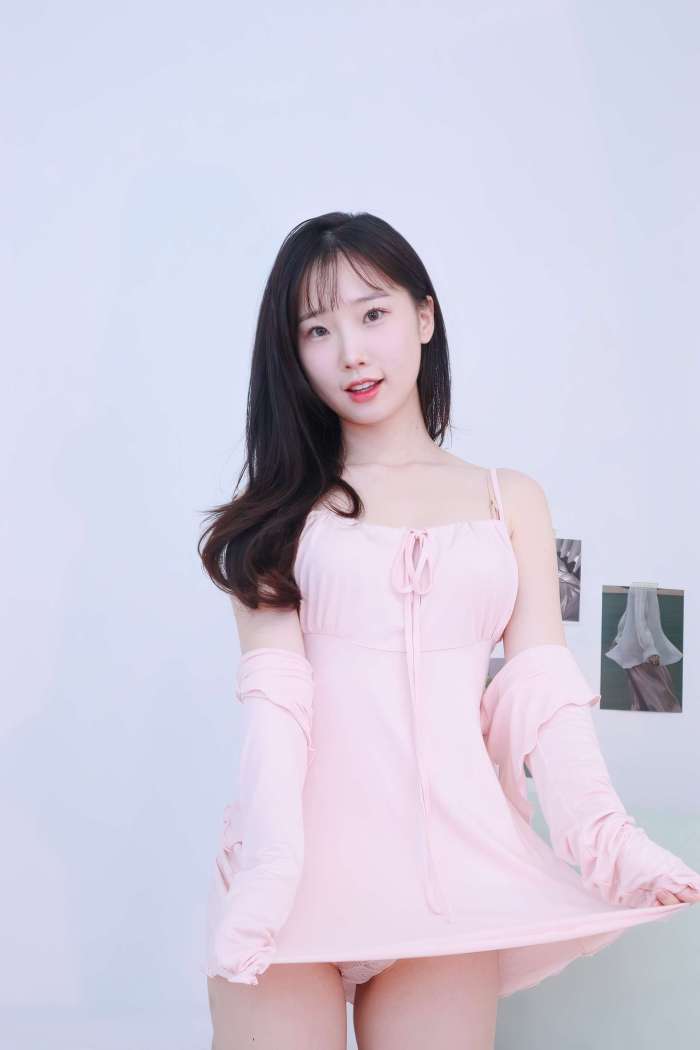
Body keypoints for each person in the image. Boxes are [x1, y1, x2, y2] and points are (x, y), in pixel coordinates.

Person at [197, 212, 700, 1050]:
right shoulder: (276, 517)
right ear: (293, 354)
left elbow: (541, 690)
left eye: (373, 314)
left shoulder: (510, 500)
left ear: (424, 317)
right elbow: (278, 704)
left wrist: (610, 842)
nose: (352, 352)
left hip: (454, 885)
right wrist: (269, 873)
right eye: (317, 330)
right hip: (296, 880)